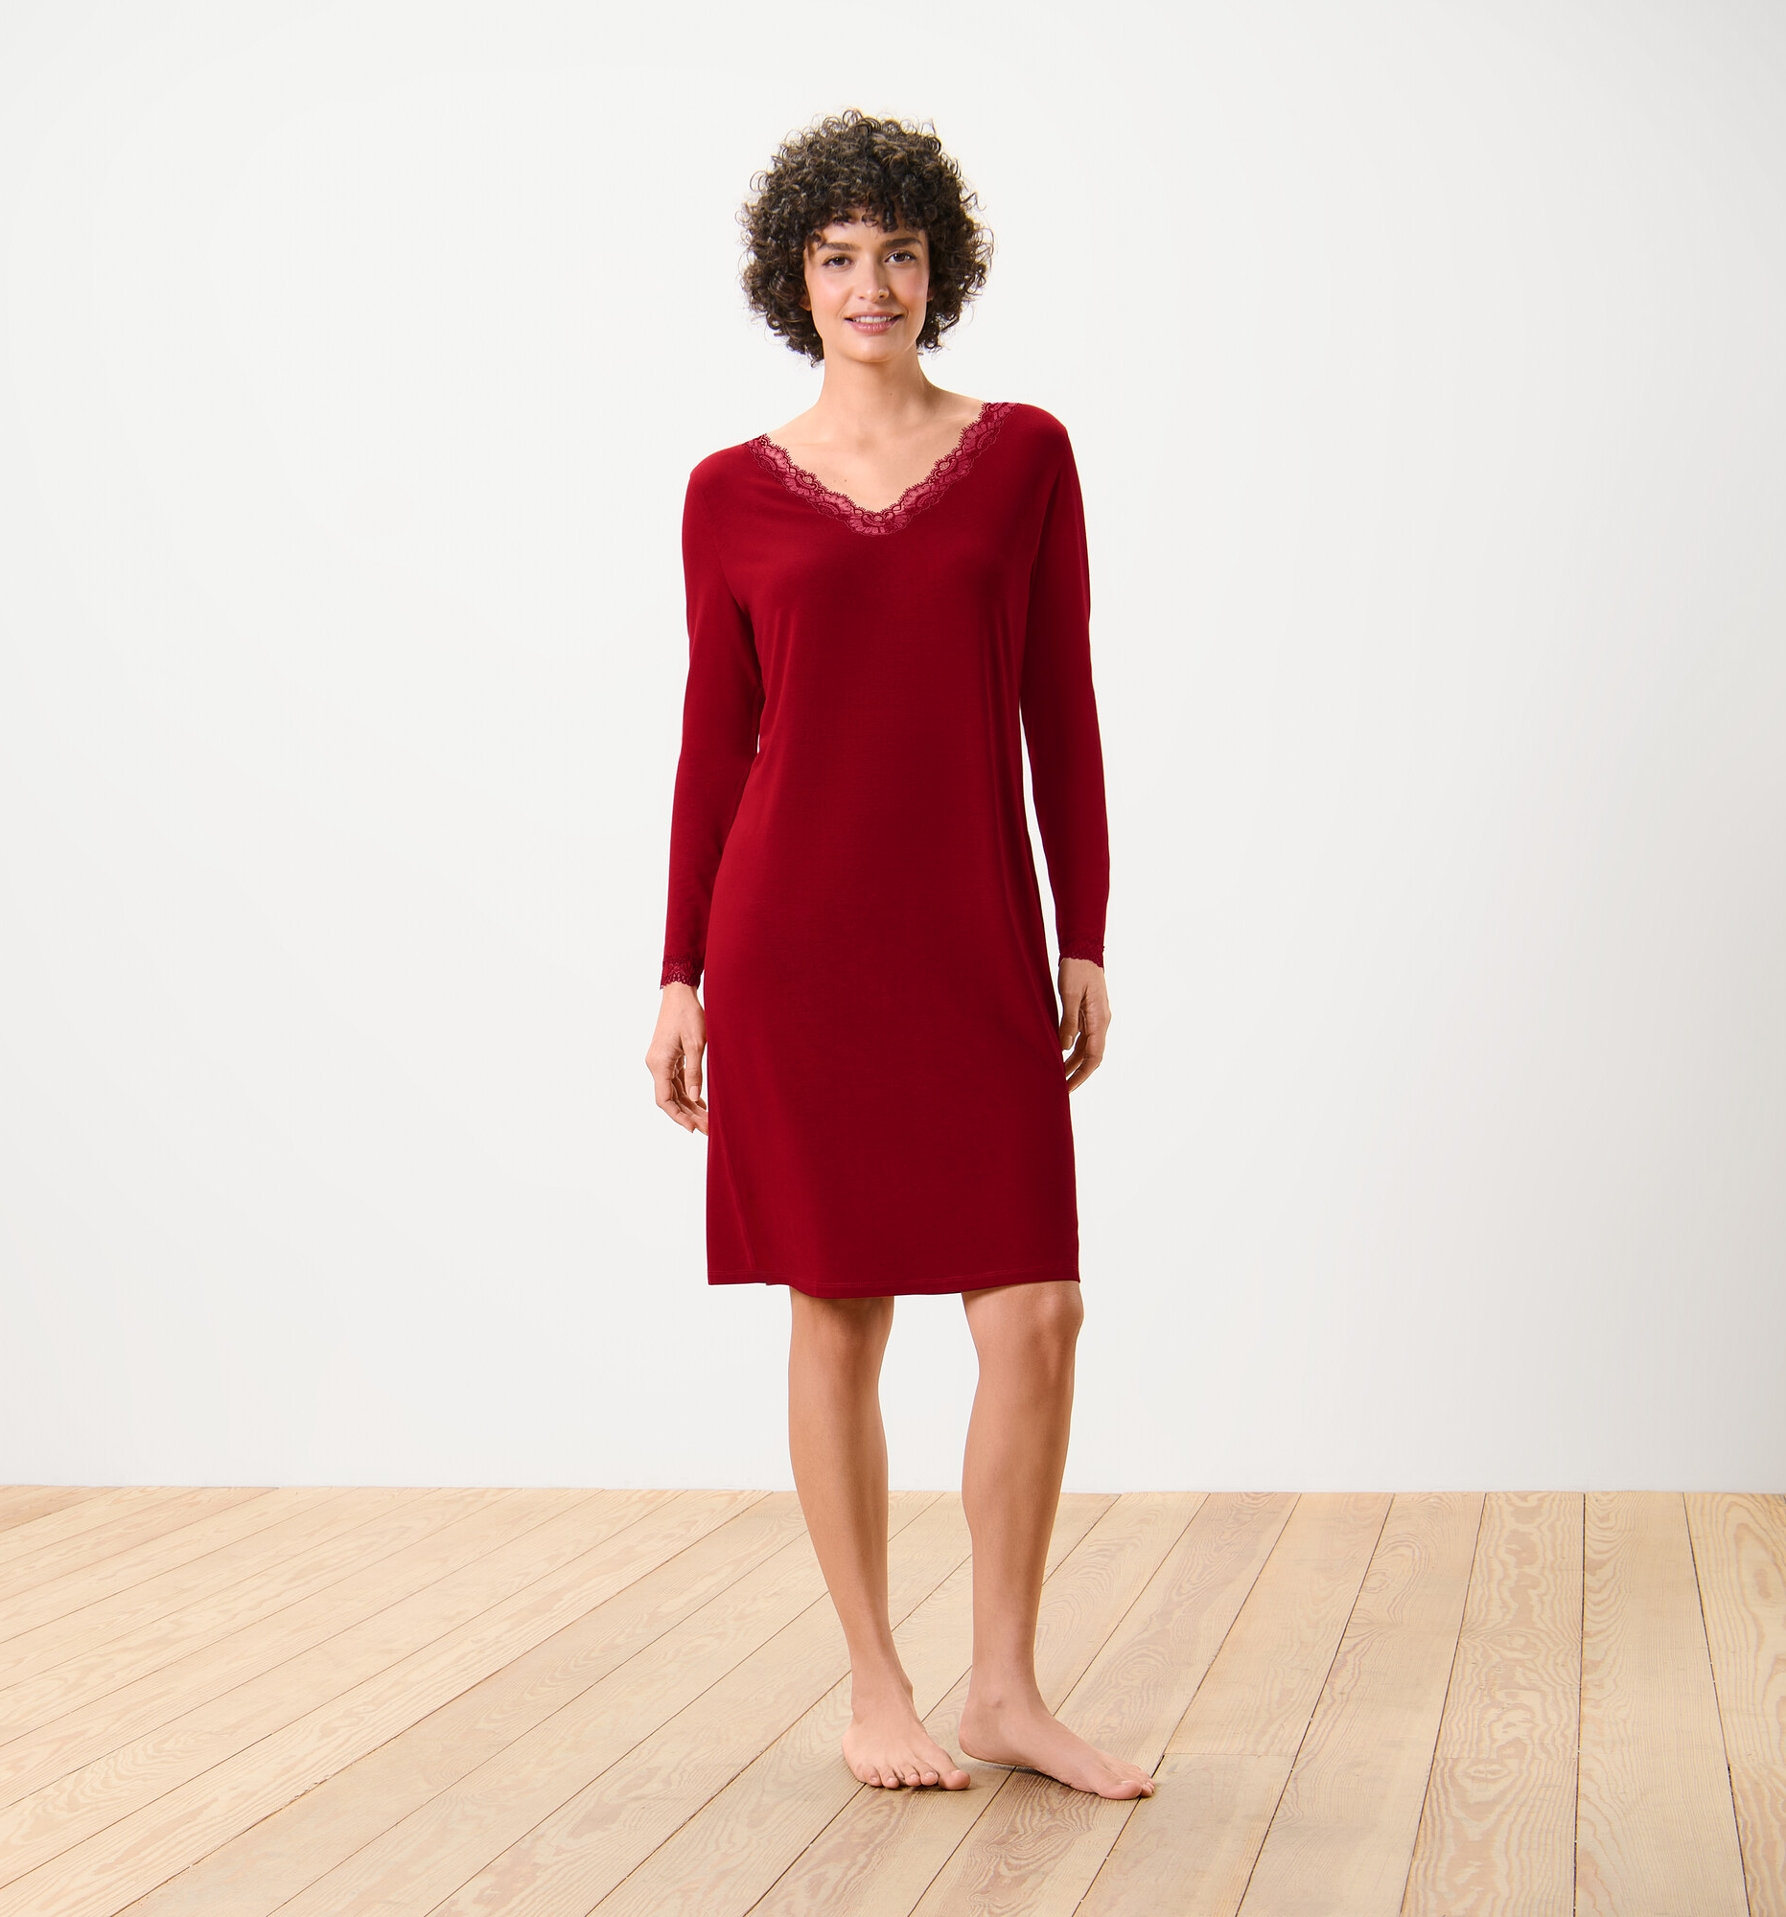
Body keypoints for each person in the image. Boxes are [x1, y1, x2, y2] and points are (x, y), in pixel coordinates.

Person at [645, 110, 1154, 1801]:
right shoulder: (727, 492)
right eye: (837, 255)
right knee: (837, 1303)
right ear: (795, 279)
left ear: (943, 267)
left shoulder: (1023, 457)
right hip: (788, 940)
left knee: (1036, 1308)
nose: (872, 282)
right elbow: (714, 744)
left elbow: (1058, 709)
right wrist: (677, 975)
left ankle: (1002, 1685)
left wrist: (1080, 928)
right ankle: (876, 1682)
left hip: (967, 932)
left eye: (900, 252)